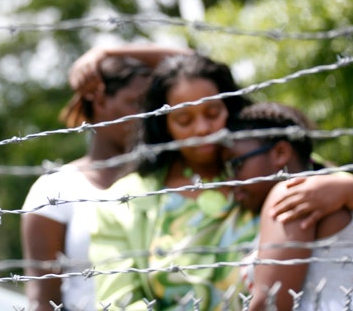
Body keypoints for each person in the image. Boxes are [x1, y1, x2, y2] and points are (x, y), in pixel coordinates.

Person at [87, 53, 353, 310]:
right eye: (184, 119)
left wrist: (345, 188)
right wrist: (106, 53)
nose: (202, 128)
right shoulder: (124, 202)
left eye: (213, 112)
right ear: (165, 126)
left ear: (229, 106)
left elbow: (317, 180)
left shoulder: (265, 164)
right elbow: (118, 302)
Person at [21, 44, 191, 311]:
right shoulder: (56, 189)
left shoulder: (167, 178)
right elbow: (43, 301)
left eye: (152, 106)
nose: (149, 116)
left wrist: (106, 53)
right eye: (136, 103)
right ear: (99, 101)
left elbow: (193, 65)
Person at [223, 102, 353, 310]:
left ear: (280, 152)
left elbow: (269, 305)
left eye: (235, 165)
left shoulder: (293, 195)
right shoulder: (325, 192)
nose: (230, 182)